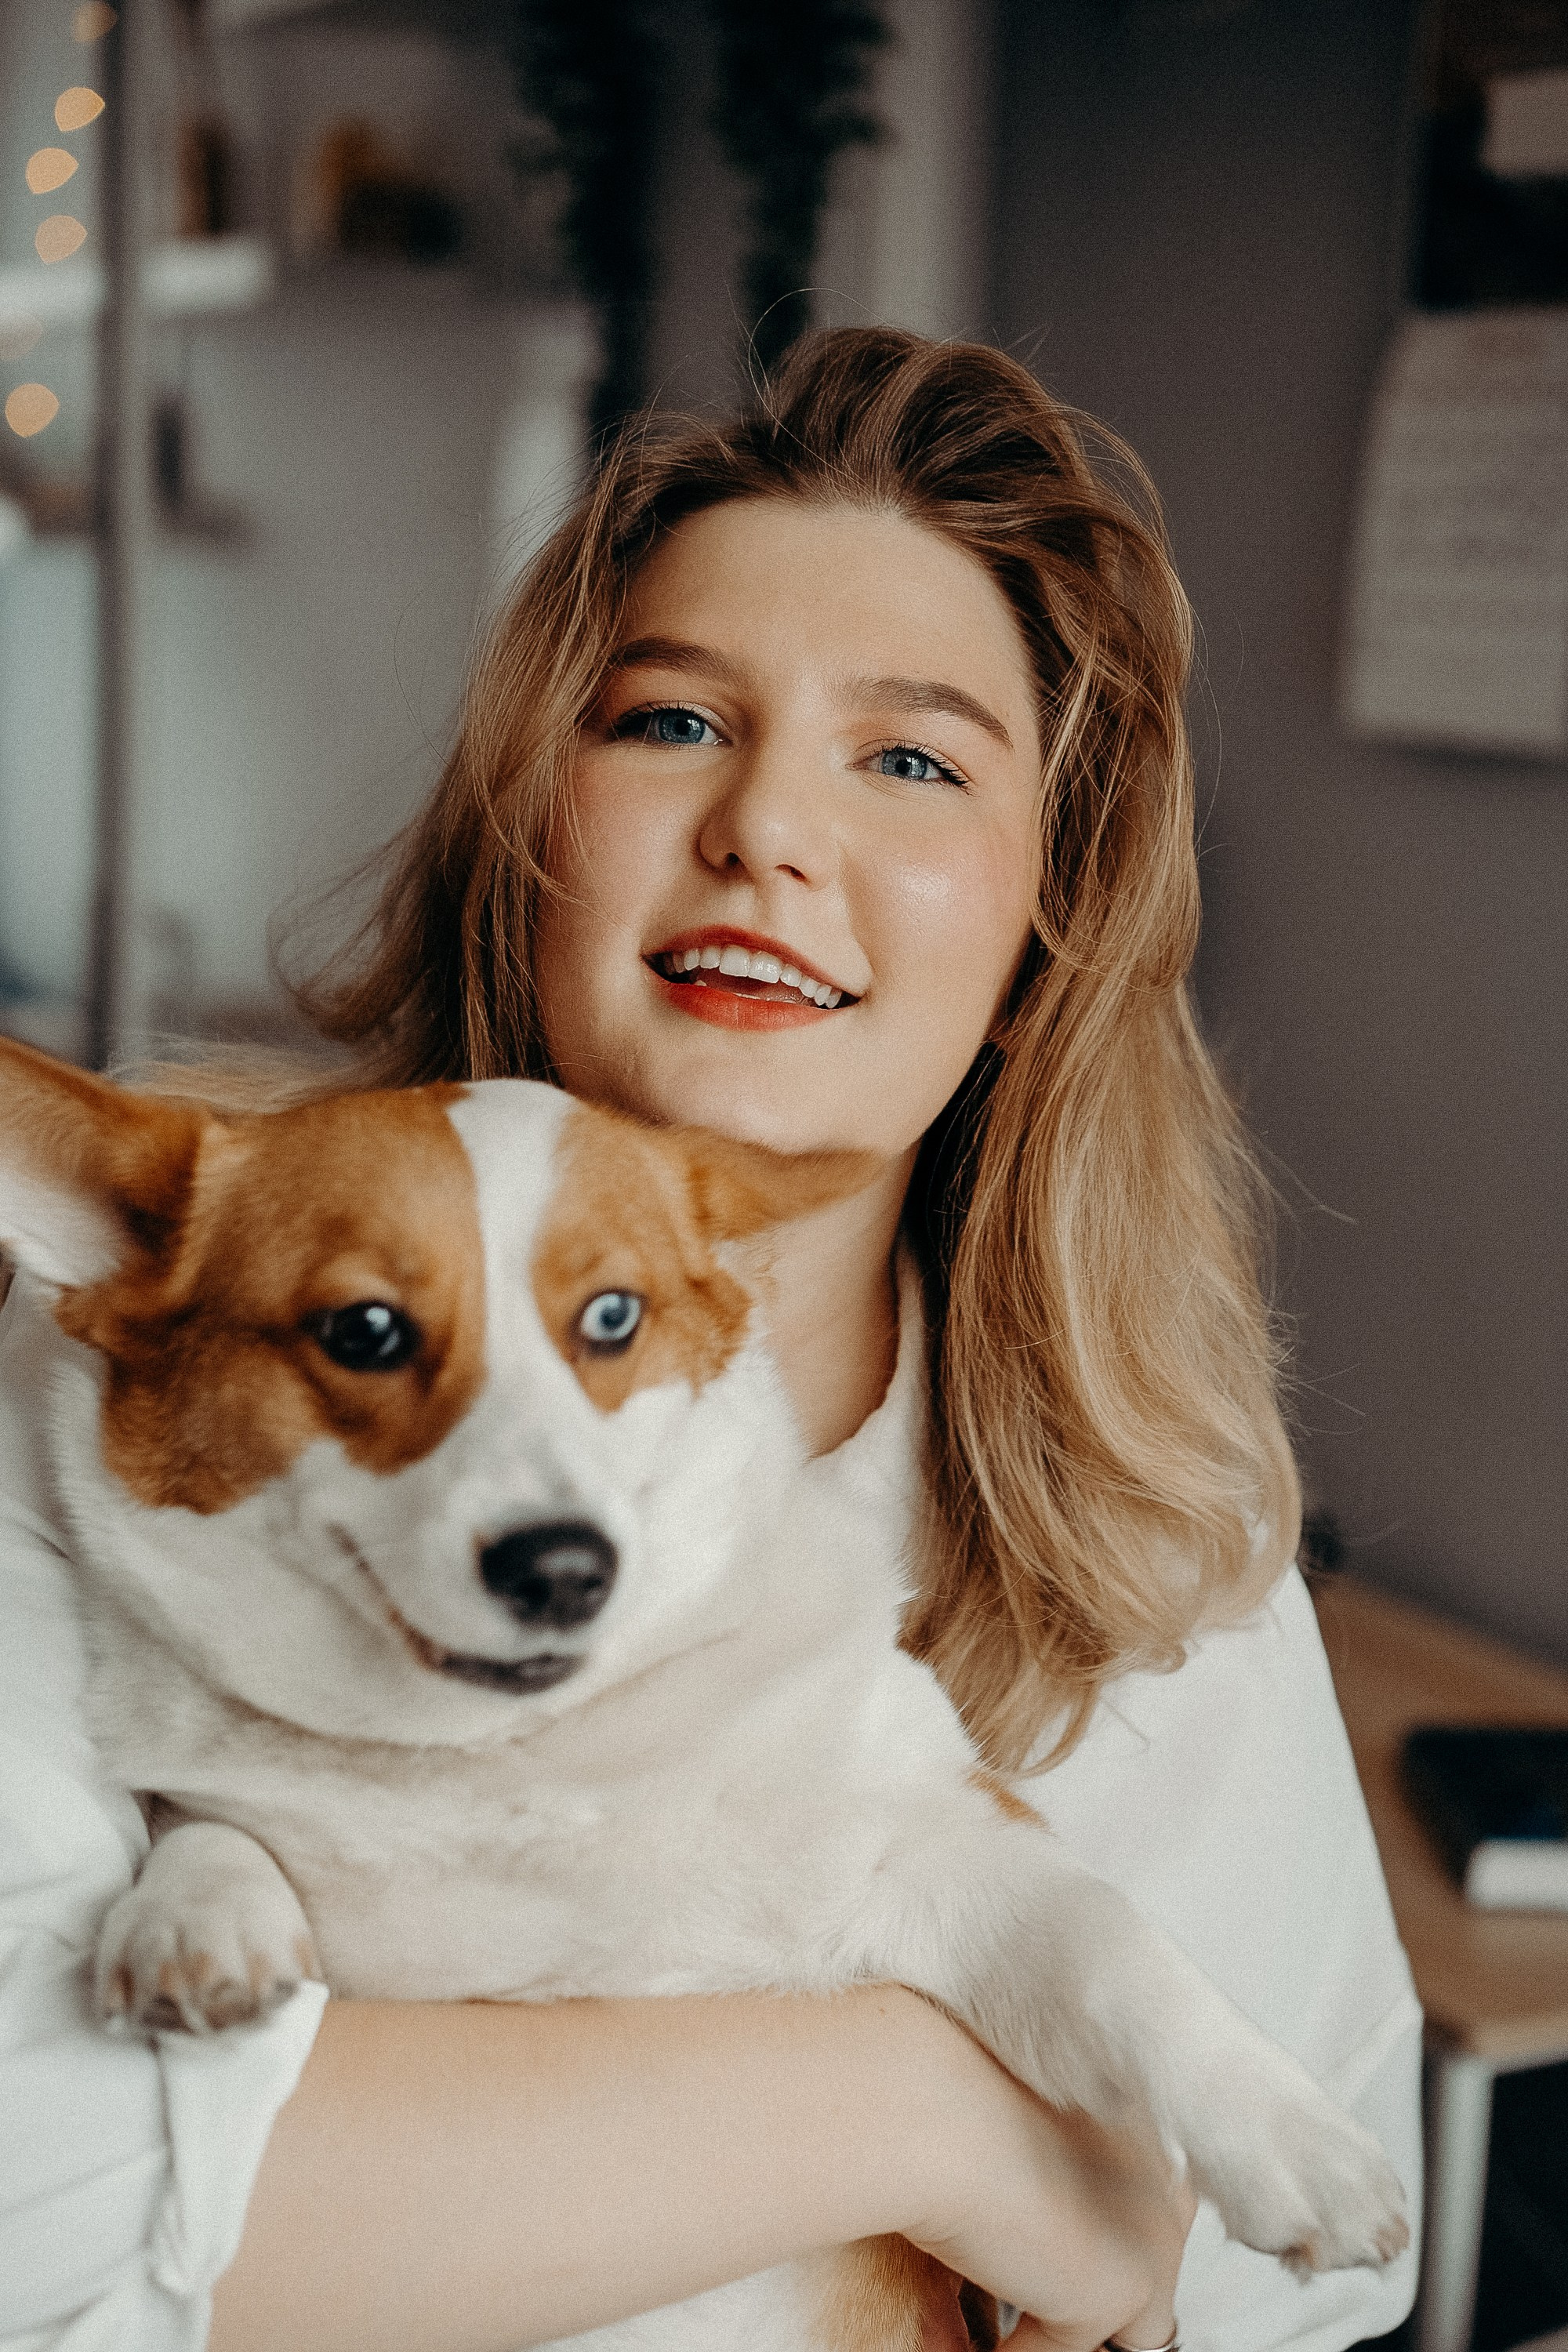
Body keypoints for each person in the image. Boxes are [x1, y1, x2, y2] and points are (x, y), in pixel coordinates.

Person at [0, 328, 1420, 2352]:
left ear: (1045, 936)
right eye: (673, 721)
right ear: (531, 828)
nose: (769, 826)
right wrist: (947, 2122)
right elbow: (25, 2212)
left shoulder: (1177, 1582)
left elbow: (1317, 2290)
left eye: (914, 756)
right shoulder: (111, 1399)